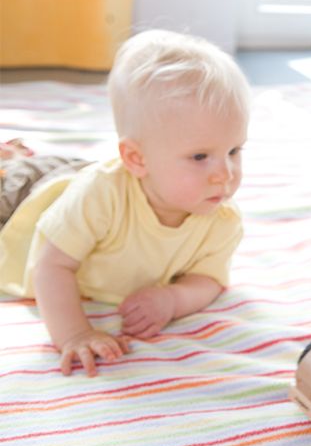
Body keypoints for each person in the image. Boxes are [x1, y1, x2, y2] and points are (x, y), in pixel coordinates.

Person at [0, 29, 250, 377]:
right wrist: (74, 334)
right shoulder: (100, 195)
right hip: (28, 199)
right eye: (199, 157)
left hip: (88, 179)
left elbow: (208, 279)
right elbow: (51, 267)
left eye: (234, 151)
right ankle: (12, 157)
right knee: (14, 178)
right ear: (136, 158)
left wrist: (172, 299)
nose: (224, 174)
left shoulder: (221, 218)